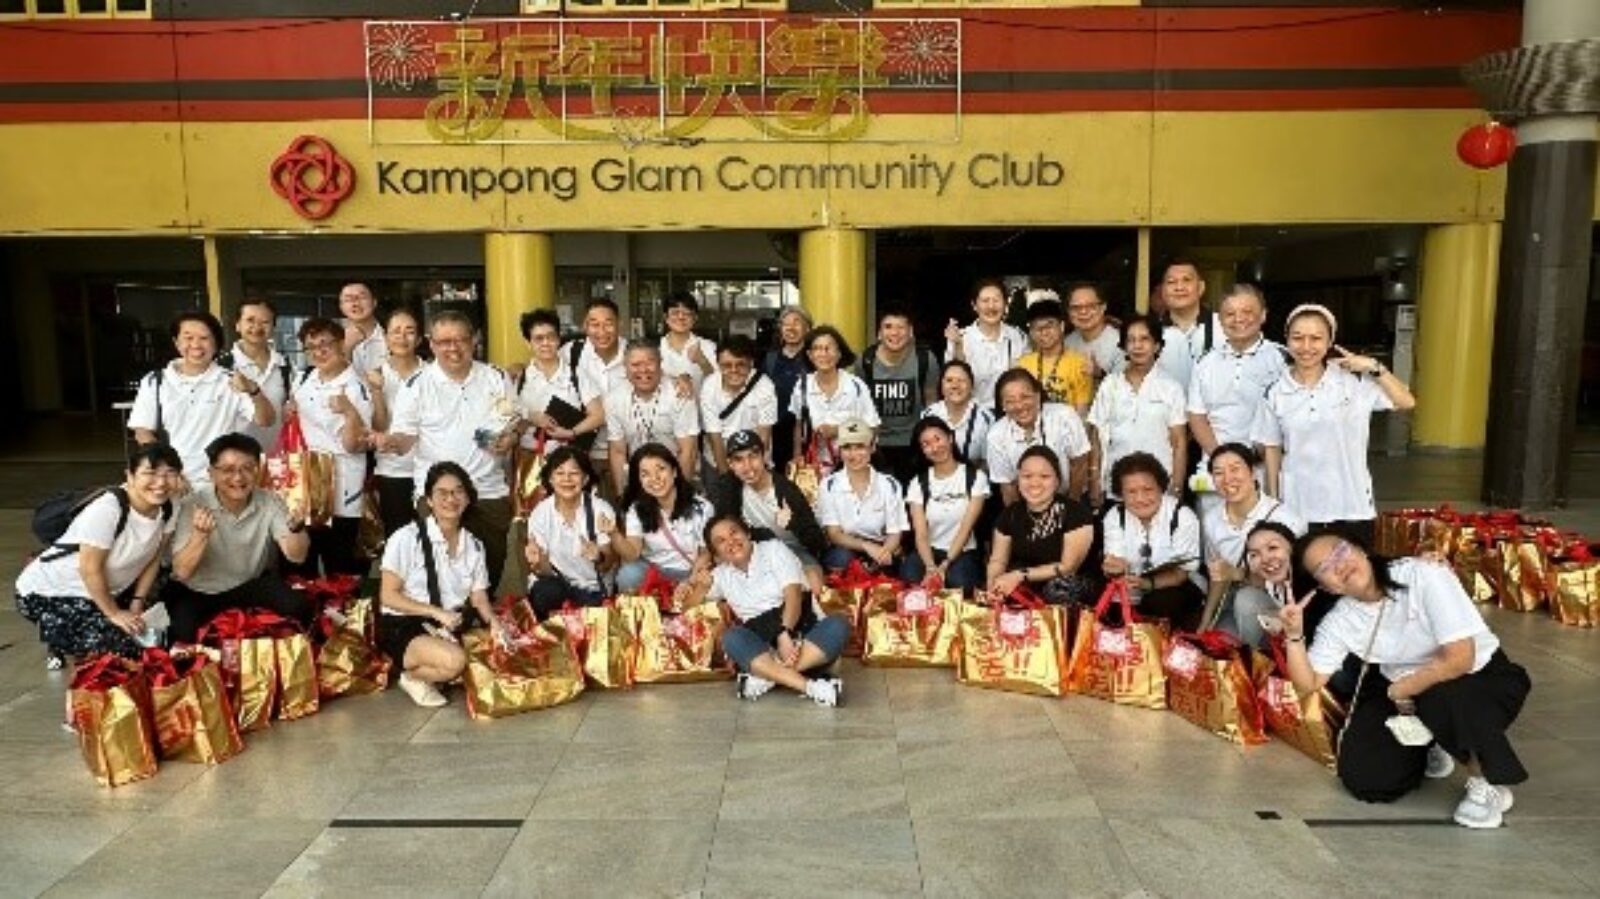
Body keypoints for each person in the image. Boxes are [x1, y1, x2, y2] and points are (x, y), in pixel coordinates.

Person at [1286, 533, 1531, 828]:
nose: (1340, 566)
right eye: (1325, 568)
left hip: (1476, 678)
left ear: (1361, 548)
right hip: (1403, 693)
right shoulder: (1340, 619)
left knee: (1442, 698)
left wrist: (1401, 689)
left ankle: (1486, 781)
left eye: (1341, 551)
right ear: (1326, 586)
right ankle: (1433, 741)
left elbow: (1460, 658)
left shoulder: (1423, 575)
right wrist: (1293, 636)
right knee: (1367, 778)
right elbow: (1308, 684)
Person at [1253, 304, 1416, 547]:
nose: (1306, 347)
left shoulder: (1353, 381)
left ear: (1330, 341)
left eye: (1316, 338)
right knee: (1307, 579)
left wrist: (1374, 367)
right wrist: (1273, 501)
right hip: (1300, 505)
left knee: (1355, 578)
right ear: (1286, 339)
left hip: (1352, 504)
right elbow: (1272, 448)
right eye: (1297, 338)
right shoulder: (1276, 390)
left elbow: (1406, 401)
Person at [382, 311, 518, 593]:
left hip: (488, 491)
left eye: (460, 340)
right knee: (440, 575)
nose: (453, 348)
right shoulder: (416, 384)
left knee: (488, 573)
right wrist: (389, 441)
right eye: (444, 342)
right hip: (437, 495)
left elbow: (513, 424)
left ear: (475, 341)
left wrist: (511, 439)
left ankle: (480, 631)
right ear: (431, 344)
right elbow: (405, 439)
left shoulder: (496, 377)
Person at [16, 444, 180, 665]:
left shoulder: (169, 507)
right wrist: (114, 614)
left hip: (108, 589)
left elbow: (154, 558)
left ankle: (65, 634)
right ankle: (58, 635)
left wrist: (137, 602)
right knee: (122, 652)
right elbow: (89, 569)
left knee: (159, 639)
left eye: (170, 474)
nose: (161, 483)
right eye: (150, 473)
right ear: (130, 476)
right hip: (50, 591)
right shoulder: (108, 509)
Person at [162, 433, 314, 643]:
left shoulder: (270, 501)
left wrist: (296, 529)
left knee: (299, 608)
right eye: (228, 470)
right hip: (200, 590)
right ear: (211, 473)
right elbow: (181, 571)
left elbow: (296, 556)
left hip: (249, 584)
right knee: (181, 634)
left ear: (258, 470)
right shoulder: (192, 504)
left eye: (247, 468)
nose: (238, 478)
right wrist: (200, 536)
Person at [376, 461, 500, 708]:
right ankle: (412, 676)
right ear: (429, 501)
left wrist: (495, 624)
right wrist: (434, 612)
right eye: (442, 493)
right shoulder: (406, 538)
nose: (451, 499)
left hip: (447, 623)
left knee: (500, 655)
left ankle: (436, 669)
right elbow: (388, 596)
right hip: (405, 623)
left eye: (457, 492)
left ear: (467, 498)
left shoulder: (474, 545)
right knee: (455, 662)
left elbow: (479, 598)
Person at [688, 514, 848, 706]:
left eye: (734, 533)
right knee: (732, 638)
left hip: (804, 635)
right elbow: (688, 608)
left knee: (838, 625)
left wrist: (784, 634)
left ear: (747, 533)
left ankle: (768, 676)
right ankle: (812, 687)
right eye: (721, 541)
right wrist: (701, 588)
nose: (731, 542)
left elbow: (793, 595)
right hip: (764, 647)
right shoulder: (721, 574)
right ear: (716, 554)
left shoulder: (773, 549)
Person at [128, 311, 275, 488]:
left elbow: (266, 420)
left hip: (221, 482)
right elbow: (143, 431)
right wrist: (167, 470)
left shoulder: (231, 381)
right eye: (188, 338)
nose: (196, 345)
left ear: (216, 344)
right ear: (176, 342)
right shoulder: (155, 381)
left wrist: (254, 390)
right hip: (172, 482)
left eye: (204, 338)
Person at [288, 317, 373, 576]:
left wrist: (349, 412)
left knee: (341, 563)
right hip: (308, 479)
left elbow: (356, 446)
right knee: (307, 561)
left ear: (340, 344)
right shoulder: (305, 378)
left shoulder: (356, 387)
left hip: (343, 482)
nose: (319, 352)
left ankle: (346, 615)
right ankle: (312, 615)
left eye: (326, 344)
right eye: (311, 347)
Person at [1200, 444, 1307, 644]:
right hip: (1233, 596)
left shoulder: (1285, 518)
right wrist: (1205, 624)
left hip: (1279, 604)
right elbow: (1219, 576)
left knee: (1247, 601)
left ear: (1252, 472)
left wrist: (1239, 574)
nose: (1227, 479)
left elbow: (1294, 579)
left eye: (1235, 469)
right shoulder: (1212, 519)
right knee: (1219, 643)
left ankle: (1256, 665)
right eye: (1218, 473)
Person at [707, 429, 829, 598]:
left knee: (814, 585)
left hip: (792, 549)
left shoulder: (786, 490)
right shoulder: (729, 488)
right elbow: (723, 527)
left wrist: (794, 523)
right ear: (730, 464)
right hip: (754, 551)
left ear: (764, 456)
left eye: (753, 456)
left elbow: (818, 542)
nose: (748, 466)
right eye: (739, 460)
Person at [1085, 314, 1187, 508]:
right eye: (1131, 340)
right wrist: (1094, 480)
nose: (1137, 346)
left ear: (1157, 346)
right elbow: (1096, 436)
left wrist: (1177, 487)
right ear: (1124, 346)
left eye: (1144, 339)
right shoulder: (1110, 384)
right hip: (1116, 487)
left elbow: (1179, 443)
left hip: (1159, 488)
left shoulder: (1171, 387)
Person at [1100, 453, 1204, 629]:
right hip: (1130, 590)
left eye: (1147, 490)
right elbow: (1113, 561)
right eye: (1131, 492)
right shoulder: (1115, 516)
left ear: (1161, 488)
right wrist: (1113, 568)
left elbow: (1181, 574)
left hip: (1175, 588)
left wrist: (1147, 584)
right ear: (1120, 494)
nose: (1140, 499)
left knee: (1161, 601)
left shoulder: (1182, 515)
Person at [986, 446, 1096, 605]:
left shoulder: (1075, 513)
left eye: (1044, 476)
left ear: (1057, 480)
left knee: (1058, 590)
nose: (1035, 483)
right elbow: (998, 560)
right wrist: (994, 585)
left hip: (1066, 583)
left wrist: (1019, 575)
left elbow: (1068, 568)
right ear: (1018, 480)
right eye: (1027, 476)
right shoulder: (1010, 514)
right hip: (1024, 581)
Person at [525, 447, 618, 617]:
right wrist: (537, 562)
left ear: (585, 479)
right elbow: (545, 571)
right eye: (559, 473)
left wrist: (598, 556)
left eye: (574, 473)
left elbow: (609, 562)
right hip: (558, 584)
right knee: (543, 593)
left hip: (592, 588)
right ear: (550, 479)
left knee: (592, 628)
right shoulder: (540, 513)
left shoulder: (601, 510)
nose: (566, 480)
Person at [614, 443, 715, 595]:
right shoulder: (636, 509)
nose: (654, 478)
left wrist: (690, 582)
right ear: (639, 480)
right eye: (645, 474)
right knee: (628, 575)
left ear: (674, 471)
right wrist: (613, 533)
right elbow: (632, 553)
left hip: (691, 570)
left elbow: (705, 553)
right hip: (655, 572)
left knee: (709, 583)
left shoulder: (702, 507)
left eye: (661, 469)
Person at [901, 417, 988, 591]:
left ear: (950, 438)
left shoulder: (974, 477)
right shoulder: (918, 482)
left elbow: (966, 528)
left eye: (938, 439)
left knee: (958, 582)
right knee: (910, 578)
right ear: (922, 450)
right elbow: (921, 534)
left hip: (962, 550)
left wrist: (945, 565)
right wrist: (931, 567)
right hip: (929, 550)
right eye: (926, 444)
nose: (935, 447)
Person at [604, 342, 700, 494]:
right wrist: (623, 494)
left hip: (676, 473)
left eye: (650, 363)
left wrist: (680, 494)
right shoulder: (614, 399)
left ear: (660, 363)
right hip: (641, 477)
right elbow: (618, 451)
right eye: (635, 364)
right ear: (625, 367)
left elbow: (688, 449)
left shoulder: (680, 393)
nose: (643, 370)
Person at [859, 306, 941, 484]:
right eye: (888, 327)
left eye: (900, 327)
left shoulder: (925, 359)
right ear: (879, 333)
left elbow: (931, 401)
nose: (894, 333)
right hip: (877, 445)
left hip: (913, 444)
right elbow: (860, 405)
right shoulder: (866, 361)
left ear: (910, 331)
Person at [985, 369, 1091, 506]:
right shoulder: (996, 435)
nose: (1019, 406)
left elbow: (1079, 464)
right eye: (1010, 401)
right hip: (1026, 504)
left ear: (1038, 395)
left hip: (1069, 497)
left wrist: (1070, 509)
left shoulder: (1065, 416)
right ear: (1003, 406)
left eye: (1025, 397)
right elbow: (1008, 487)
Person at [816, 419, 909, 573]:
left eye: (860, 446)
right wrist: (866, 547)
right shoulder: (829, 485)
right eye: (847, 447)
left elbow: (894, 533)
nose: (854, 455)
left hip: (880, 547)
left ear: (872, 447)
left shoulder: (889, 485)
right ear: (839, 450)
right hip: (846, 546)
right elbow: (834, 534)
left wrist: (882, 553)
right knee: (841, 559)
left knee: (891, 564)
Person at [789, 325, 880, 477]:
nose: (823, 354)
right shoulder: (802, 385)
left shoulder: (855, 386)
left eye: (829, 348)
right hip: (814, 468)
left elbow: (873, 428)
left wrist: (838, 430)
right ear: (810, 355)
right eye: (817, 348)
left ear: (839, 354)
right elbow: (799, 426)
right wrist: (798, 456)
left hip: (852, 465)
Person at [514, 308, 606, 457]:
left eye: (551, 337)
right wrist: (531, 417)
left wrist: (572, 432)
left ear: (558, 338)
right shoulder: (520, 378)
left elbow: (599, 415)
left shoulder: (576, 374)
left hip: (568, 459)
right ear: (528, 343)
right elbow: (510, 418)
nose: (546, 343)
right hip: (529, 457)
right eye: (539, 338)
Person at [367, 306, 425, 537]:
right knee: (398, 539)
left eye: (410, 331)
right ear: (386, 337)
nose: (402, 337)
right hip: (392, 470)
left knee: (432, 538)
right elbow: (379, 426)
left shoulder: (432, 374)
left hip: (429, 467)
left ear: (420, 338)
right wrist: (377, 391)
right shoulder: (374, 374)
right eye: (396, 331)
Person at [563, 298, 630, 497]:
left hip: (626, 451)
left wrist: (683, 378)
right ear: (585, 326)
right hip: (584, 452)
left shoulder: (634, 352)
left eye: (609, 323)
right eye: (594, 324)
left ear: (620, 324)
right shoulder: (572, 352)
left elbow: (660, 375)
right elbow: (545, 367)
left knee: (626, 512)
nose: (602, 331)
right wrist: (517, 369)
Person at [943, 277, 1025, 413]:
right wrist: (958, 345)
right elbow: (954, 383)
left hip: (1011, 413)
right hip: (972, 414)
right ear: (974, 305)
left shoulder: (1018, 337)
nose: (991, 306)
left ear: (1005, 304)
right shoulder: (961, 337)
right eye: (985, 301)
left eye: (996, 300)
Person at [699, 335, 777, 472]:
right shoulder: (709, 386)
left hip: (755, 461)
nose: (733, 370)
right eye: (726, 365)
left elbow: (763, 435)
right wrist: (725, 474)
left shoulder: (765, 386)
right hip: (718, 460)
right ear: (718, 365)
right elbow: (714, 436)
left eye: (740, 364)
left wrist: (752, 471)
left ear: (751, 363)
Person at [227, 296, 293, 450]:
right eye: (250, 320)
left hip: (277, 459)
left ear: (274, 327)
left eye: (265, 322)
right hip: (236, 463)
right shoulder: (223, 366)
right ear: (237, 325)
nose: (257, 328)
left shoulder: (285, 366)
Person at [1153, 261, 1222, 394]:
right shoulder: (1151, 331)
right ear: (1163, 291)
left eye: (1187, 280)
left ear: (1201, 287)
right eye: (1171, 282)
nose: (1179, 287)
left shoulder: (1224, 326)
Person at [1016, 299, 1094, 416]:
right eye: (1037, 328)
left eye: (1049, 325)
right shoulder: (1022, 365)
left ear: (1061, 326)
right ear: (1031, 332)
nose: (1044, 332)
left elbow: (1082, 411)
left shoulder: (1080, 363)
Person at [763, 306, 812, 474]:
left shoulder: (814, 358)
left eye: (797, 323)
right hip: (775, 433)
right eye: (786, 324)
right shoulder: (770, 359)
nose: (791, 328)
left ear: (808, 328)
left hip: (807, 432)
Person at [920, 360, 993, 468]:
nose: (955, 385)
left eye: (961, 380)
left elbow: (987, 463)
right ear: (941, 385)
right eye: (949, 380)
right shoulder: (928, 415)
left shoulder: (985, 418)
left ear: (971, 386)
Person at [658, 291, 718, 400]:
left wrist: (703, 361)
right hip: (663, 414)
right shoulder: (655, 349)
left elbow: (720, 385)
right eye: (675, 312)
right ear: (665, 317)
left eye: (687, 313)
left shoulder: (708, 347)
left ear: (695, 318)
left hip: (699, 414)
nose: (681, 317)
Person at [1063, 282, 1123, 382]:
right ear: (1068, 312)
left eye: (1090, 306)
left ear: (1103, 307)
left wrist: (1099, 374)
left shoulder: (1121, 343)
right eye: (1076, 308)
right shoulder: (1066, 342)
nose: (1083, 312)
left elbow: (1126, 389)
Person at [339, 282, 388, 375]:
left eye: (361, 297)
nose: (355, 303)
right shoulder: (333, 341)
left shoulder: (391, 337)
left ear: (374, 302)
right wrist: (347, 347)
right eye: (348, 299)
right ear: (341, 307)